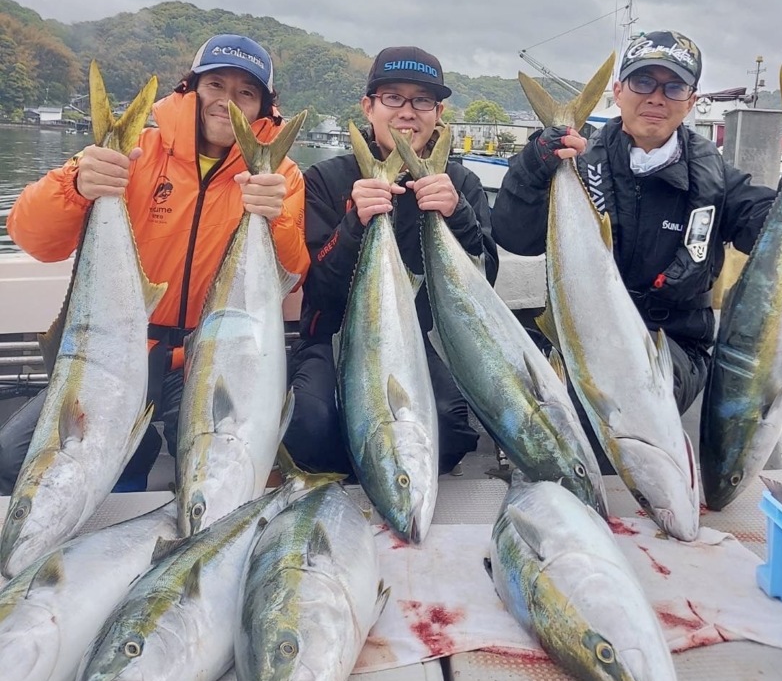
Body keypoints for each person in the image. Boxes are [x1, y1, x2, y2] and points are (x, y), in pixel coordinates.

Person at [0, 34, 309, 493]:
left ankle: (138, 448)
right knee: (14, 457)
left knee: (226, 473)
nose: (227, 101)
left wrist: (276, 215)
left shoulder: (279, 175)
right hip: (124, 352)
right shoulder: (131, 156)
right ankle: (135, 447)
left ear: (264, 107)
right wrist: (76, 183)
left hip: (210, 357)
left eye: (245, 92)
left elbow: (291, 272)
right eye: (216, 85)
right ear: (191, 88)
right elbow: (34, 238)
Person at [491, 30, 782, 422]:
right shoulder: (577, 167)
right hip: (580, 335)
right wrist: (534, 165)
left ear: (691, 102)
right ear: (618, 91)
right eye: (643, 82)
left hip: (672, 345)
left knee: (630, 398)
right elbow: (515, 238)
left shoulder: (719, 182)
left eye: (673, 86)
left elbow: (769, 231)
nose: (656, 97)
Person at [283, 45, 499, 476]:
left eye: (422, 100)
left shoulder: (460, 182)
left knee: (450, 434)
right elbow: (319, 286)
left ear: (438, 112)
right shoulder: (325, 179)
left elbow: (485, 275)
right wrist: (353, 225)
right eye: (394, 98)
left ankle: (379, 470)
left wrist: (458, 216)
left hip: (418, 338)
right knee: (310, 427)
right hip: (332, 335)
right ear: (369, 106)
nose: (408, 111)